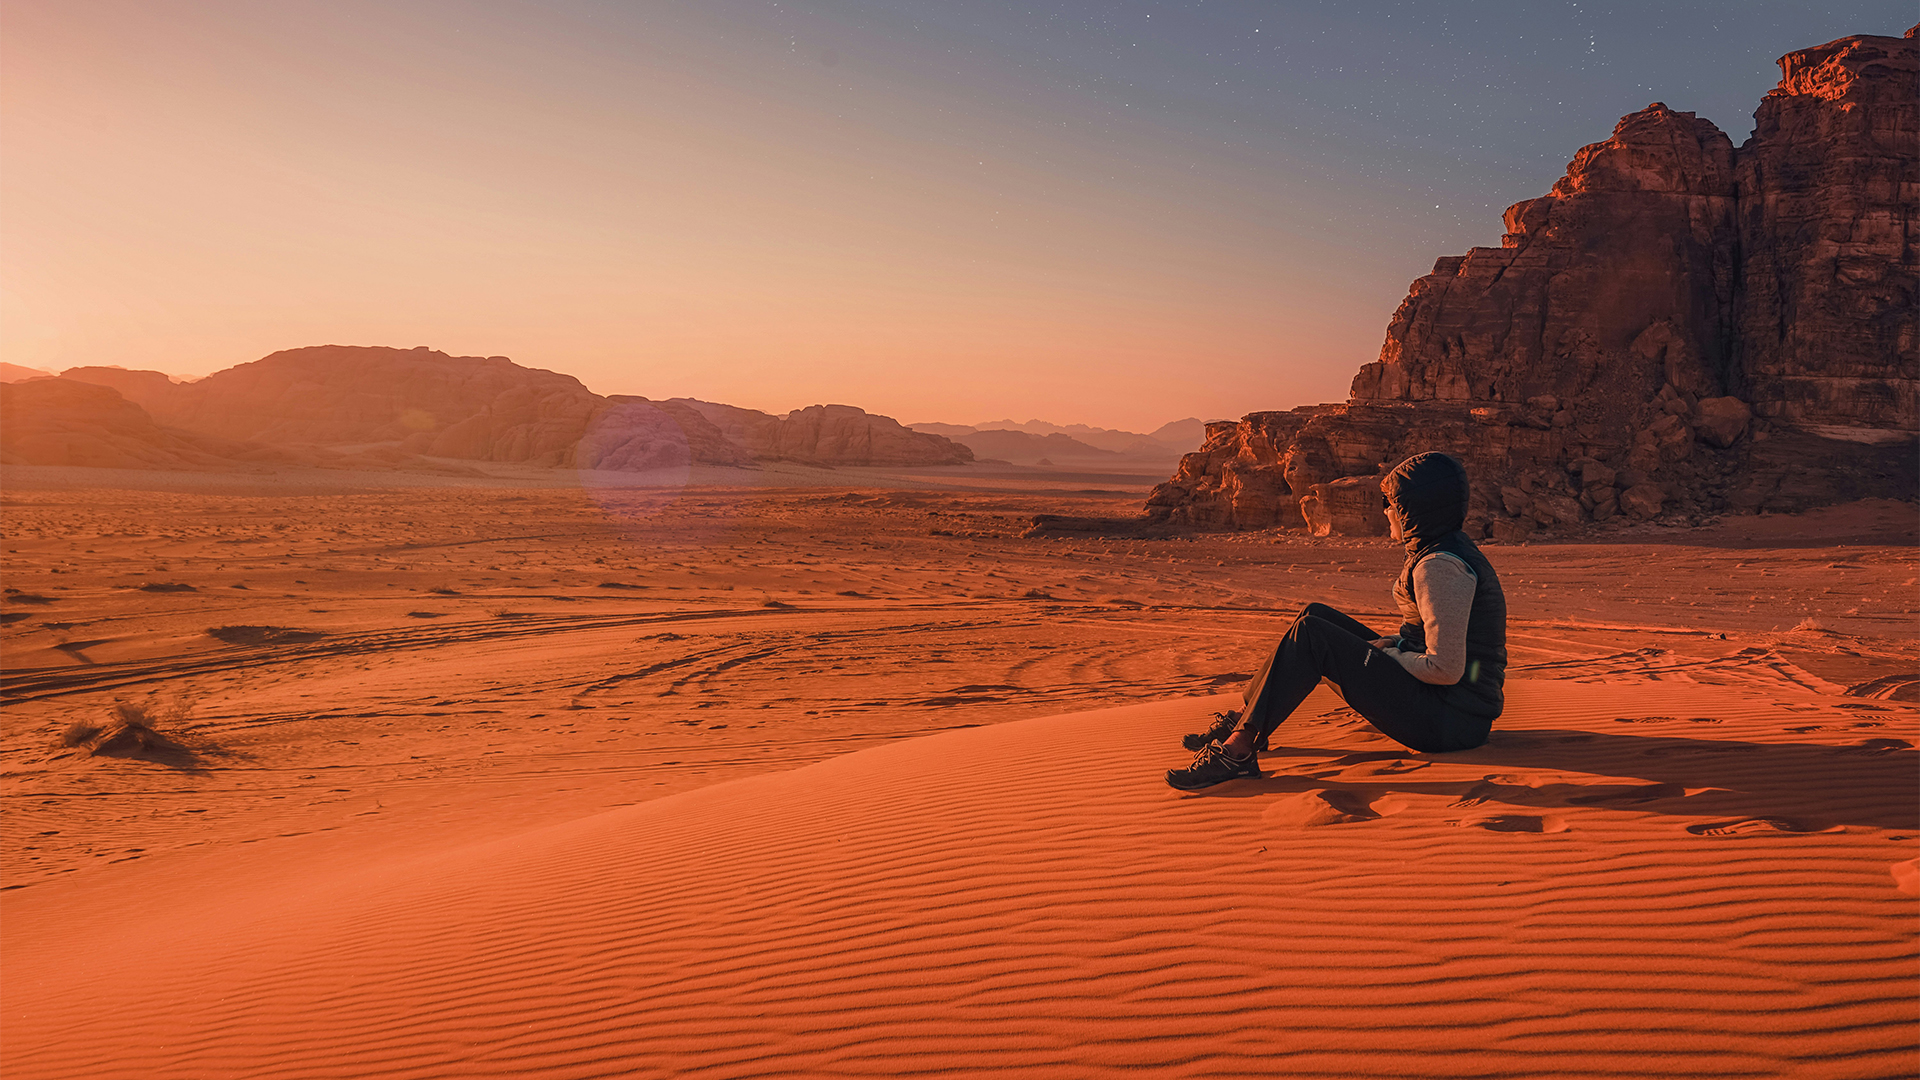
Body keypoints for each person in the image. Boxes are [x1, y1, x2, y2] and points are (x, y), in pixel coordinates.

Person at [1166, 451, 1507, 791]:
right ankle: (1244, 718)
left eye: (1391, 504)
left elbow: (1446, 668)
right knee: (1315, 615)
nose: (1386, 512)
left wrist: (1389, 655)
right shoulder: (1444, 549)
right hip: (1452, 710)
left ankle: (1237, 751)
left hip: (1449, 723)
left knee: (1314, 636)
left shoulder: (1439, 566)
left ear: (1413, 510)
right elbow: (1438, 638)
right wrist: (1395, 643)